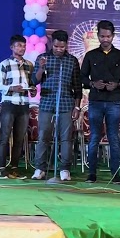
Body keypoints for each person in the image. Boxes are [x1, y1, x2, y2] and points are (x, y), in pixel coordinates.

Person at [80, 20, 120, 184]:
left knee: (113, 138)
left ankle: (116, 174)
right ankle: (92, 174)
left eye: (108, 36)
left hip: (114, 102)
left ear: (113, 36)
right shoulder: (90, 55)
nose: (105, 39)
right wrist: (92, 84)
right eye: (102, 36)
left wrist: (118, 85)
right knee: (94, 137)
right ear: (98, 36)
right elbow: (82, 77)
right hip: (95, 101)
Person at [30, 30, 83, 181]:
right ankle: (40, 169)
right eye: (56, 46)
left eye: (62, 47)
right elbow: (35, 81)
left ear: (66, 45)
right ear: (51, 43)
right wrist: (41, 68)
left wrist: (77, 107)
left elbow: (77, 86)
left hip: (66, 103)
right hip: (47, 102)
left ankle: (64, 169)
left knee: (66, 138)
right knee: (43, 136)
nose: (59, 49)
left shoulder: (72, 60)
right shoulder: (43, 58)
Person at [0, 34, 35, 180]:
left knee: (19, 139)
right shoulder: (4, 64)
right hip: (9, 103)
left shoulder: (29, 65)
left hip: (23, 104)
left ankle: (14, 168)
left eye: (24, 46)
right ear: (12, 47)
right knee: (5, 137)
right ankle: (1, 169)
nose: (22, 48)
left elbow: (31, 84)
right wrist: (13, 88)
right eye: (18, 45)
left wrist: (32, 89)